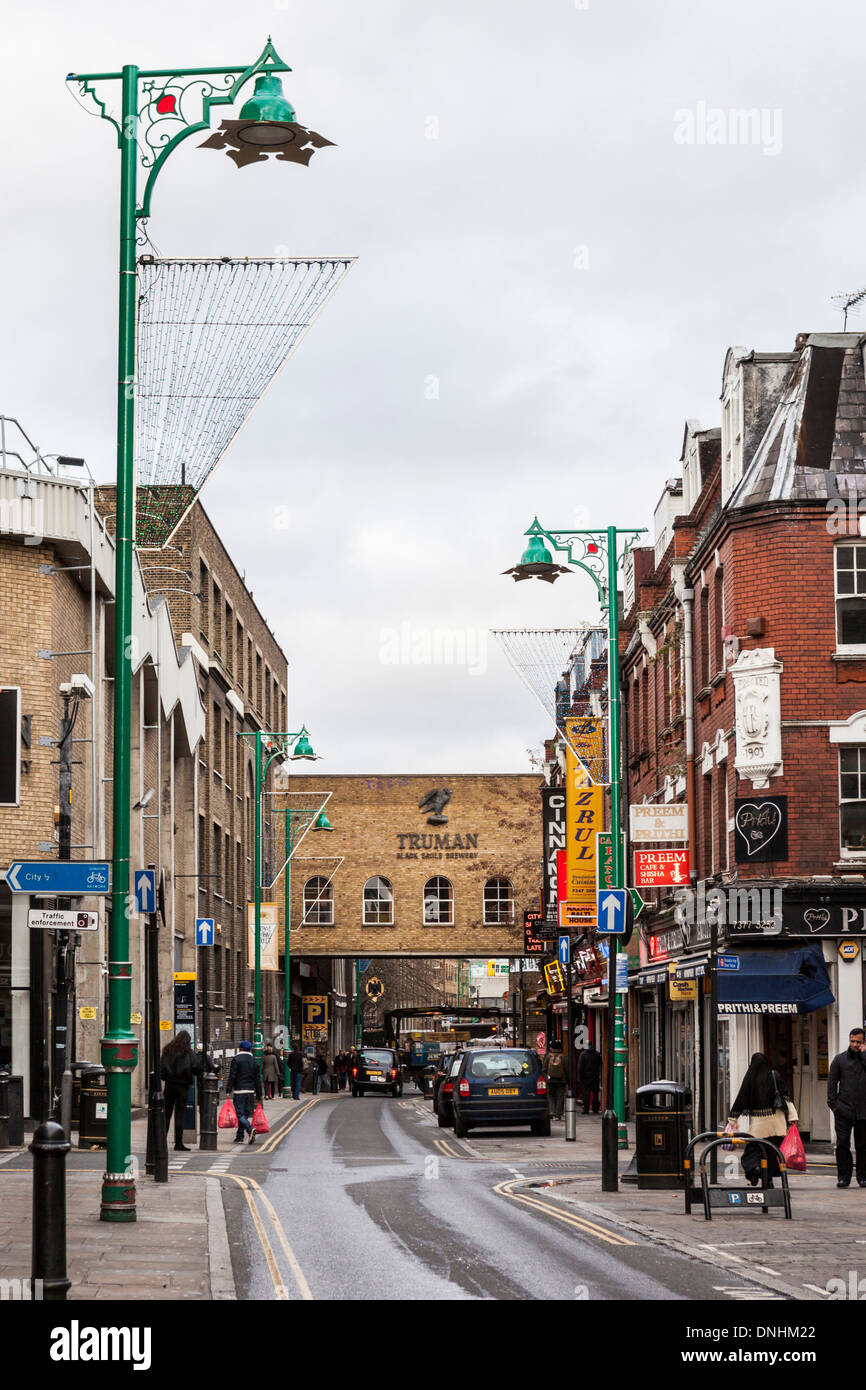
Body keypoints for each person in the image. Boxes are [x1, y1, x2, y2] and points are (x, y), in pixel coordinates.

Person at [727, 1052, 796, 1186]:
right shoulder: (774, 1075)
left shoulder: (750, 1078)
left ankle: (755, 1169)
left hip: (758, 1124)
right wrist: (793, 1116)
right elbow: (786, 1096)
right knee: (772, 1152)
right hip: (777, 1122)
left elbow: (741, 1099)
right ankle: (768, 1180)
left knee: (753, 1150)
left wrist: (732, 1119)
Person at [827, 1026, 866, 1188]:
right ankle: (843, 1176)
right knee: (842, 1144)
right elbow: (831, 1083)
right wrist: (833, 1104)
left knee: (863, 1146)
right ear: (849, 1040)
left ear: (864, 1042)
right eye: (853, 1041)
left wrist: (864, 1055)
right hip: (843, 1109)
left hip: (864, 1111)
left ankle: (863, 1177)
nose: (855, 1044)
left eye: (859, 1042)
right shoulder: (839, 1059)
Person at [160, 1030, 195, 1151]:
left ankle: (161, 1142)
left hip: (169, 1085)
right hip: (183, 1086)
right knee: (180, 1116)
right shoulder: (187, 1052)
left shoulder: (167, 1050)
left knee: (166, 1115)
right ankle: (178, 1143)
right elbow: (195, 1066)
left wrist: (165, 1077)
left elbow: (162, 1068)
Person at [227, 1040, 263, 1145]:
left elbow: (232, 1075)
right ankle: (239, 1136)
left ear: (240, 1048)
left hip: (239, 1091)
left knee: (239, 1114)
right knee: (245, 1114)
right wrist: (259, 1094)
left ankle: (250, 1129)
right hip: (250, 1091)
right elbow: (257, 1079)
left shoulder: (236, 1059)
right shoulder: (254, 1061)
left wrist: (228, 1089)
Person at [542, 1041, 567, 1120]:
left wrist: (547, 1077)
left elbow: (544, 1069)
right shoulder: (563, 1057)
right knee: (560, 1097)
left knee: (550, 1096)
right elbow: (567, 1069)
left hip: (550, 1081)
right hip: (561, 1081)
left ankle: (552, 1111)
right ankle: (558, 1113)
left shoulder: (548, 1057)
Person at [578, 1044, 602, 1114]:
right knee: (595, 1093)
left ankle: (586, 1109)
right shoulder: (597, 1054)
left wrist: (581, 1076)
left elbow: (580, 1067)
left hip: (585, 1076)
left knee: (586, 1093)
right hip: (595, 1075)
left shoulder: (583, 1054)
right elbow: (601, 1063)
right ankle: (595, 1109)